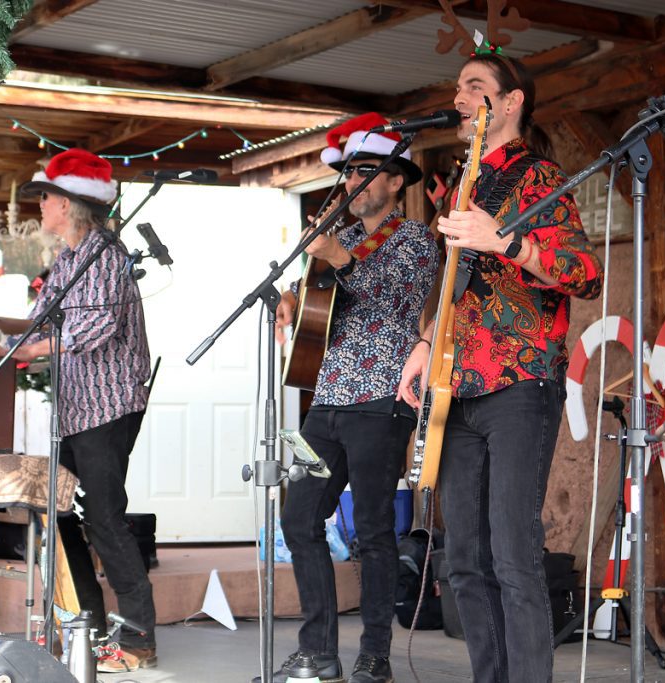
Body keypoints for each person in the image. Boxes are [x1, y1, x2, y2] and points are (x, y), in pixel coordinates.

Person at [397, 51, 603, 683]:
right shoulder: (462, 179)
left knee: (513, 554)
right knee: (462, 558)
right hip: (454, 384)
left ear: (511, 103)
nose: (460, 96)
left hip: (519, 383)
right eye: (458, 86)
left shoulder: (540, 178)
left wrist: (505, 240)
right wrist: (426, 340)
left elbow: (583, 275)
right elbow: (455, 282)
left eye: (475, 87)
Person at [265, 113, 440, 683]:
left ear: (395, 180)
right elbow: (315, 296)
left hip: (382, 401)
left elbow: (394, 304)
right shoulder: (339, 236)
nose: (352, 182)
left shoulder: (414, 238)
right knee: (299, 518)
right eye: (347, 172)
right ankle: (318, 650)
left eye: (366, 171)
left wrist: (338, 258)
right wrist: (290, 301)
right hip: (328, 399)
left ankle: (376, 654)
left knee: (371, 531)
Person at [0, 148, 156, 673]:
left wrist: (34, 349)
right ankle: (87, 624)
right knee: (60, 511)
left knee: (105, 519)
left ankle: (138, 639)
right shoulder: (68, 257)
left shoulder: (107, 255)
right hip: (76, 409)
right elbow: (37, 321)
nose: (39, 205)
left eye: (46, 196)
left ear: (69, 204)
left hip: (109, 407)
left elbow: (94, 329)